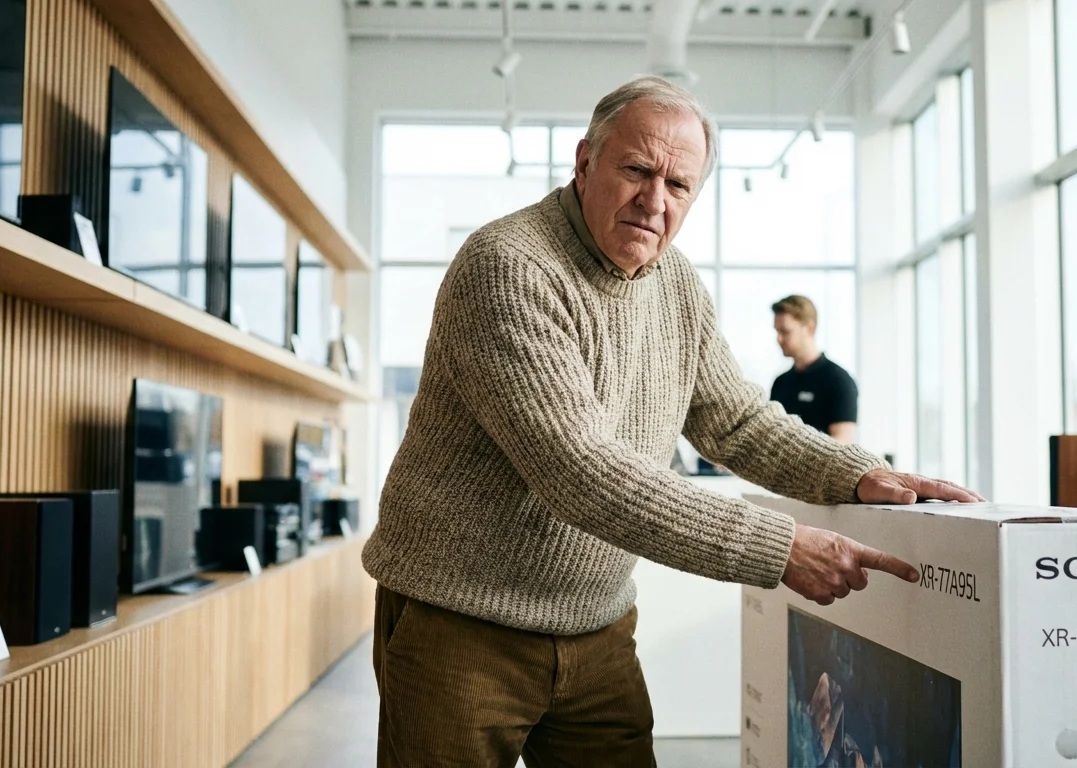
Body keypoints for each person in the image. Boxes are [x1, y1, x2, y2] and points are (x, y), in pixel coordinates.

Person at [361, 76, 980, 768]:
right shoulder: (507, 266)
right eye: (637, 170)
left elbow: (736, 420)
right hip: (460, 623)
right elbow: (580, 469)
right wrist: (778, 548)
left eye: (679, 185)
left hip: (596, 625)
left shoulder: (676, 282)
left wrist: (861, 473)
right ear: (585, 162)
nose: (655, 202)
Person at [770, 295, 860, 443]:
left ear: (810, 328)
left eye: (785, 331)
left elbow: (843, 443)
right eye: (777, 331)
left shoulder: (839, 381)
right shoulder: (780, 382)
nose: (779, 339)